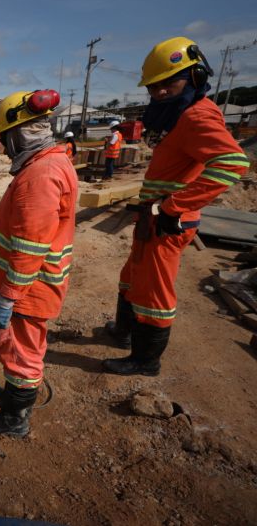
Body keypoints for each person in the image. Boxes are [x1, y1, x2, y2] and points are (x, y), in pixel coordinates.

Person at [102, 37, 248, 376]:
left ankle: (145, 360)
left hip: (168, 221)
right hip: (152, 215)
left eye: (169, 82)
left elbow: (232, 163)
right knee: (132, 278)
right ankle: (123, 333)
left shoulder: (197, 116)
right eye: (154, 86)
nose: (160, 92)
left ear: (195, 76)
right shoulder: (179, 116)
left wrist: (174, 207)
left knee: (154, 290)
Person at [0, 89, 77, 436]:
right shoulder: (52, 162)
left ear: (19, 133)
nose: (3, 147)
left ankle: (13, 419)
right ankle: (13, 399)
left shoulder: (40, 176)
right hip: (30, 286)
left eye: (5, 139)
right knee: (20, 349)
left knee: (20, 354)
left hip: (26, 291)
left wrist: (8, 297)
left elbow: (30, 247)